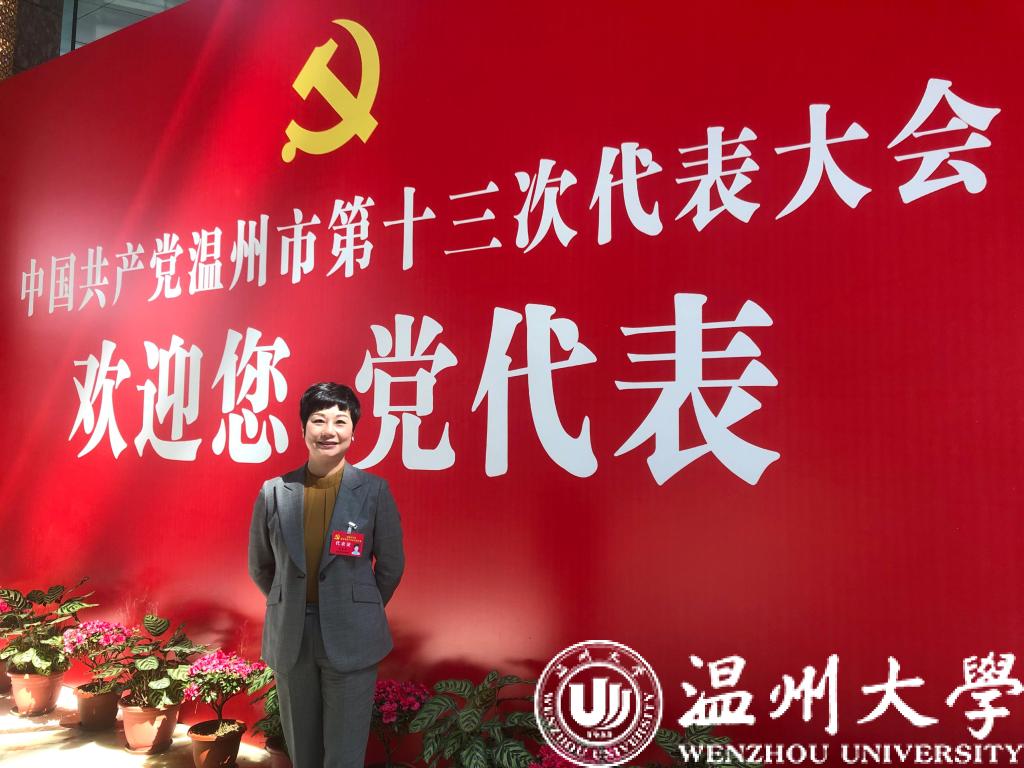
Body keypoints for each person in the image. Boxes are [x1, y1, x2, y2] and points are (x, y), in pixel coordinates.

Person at [248, 382, 405, 768]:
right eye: (318, 420)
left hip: (352, 635)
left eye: (340, 421)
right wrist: (291, 600)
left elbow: (390, 566)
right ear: (303, 428)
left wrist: (356, 606)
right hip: (292, 636)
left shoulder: (373, 491)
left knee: (345, 752)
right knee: (302, 749)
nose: (328, 430)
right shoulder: (274, 492)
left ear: (353, 431)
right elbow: (261, 566)